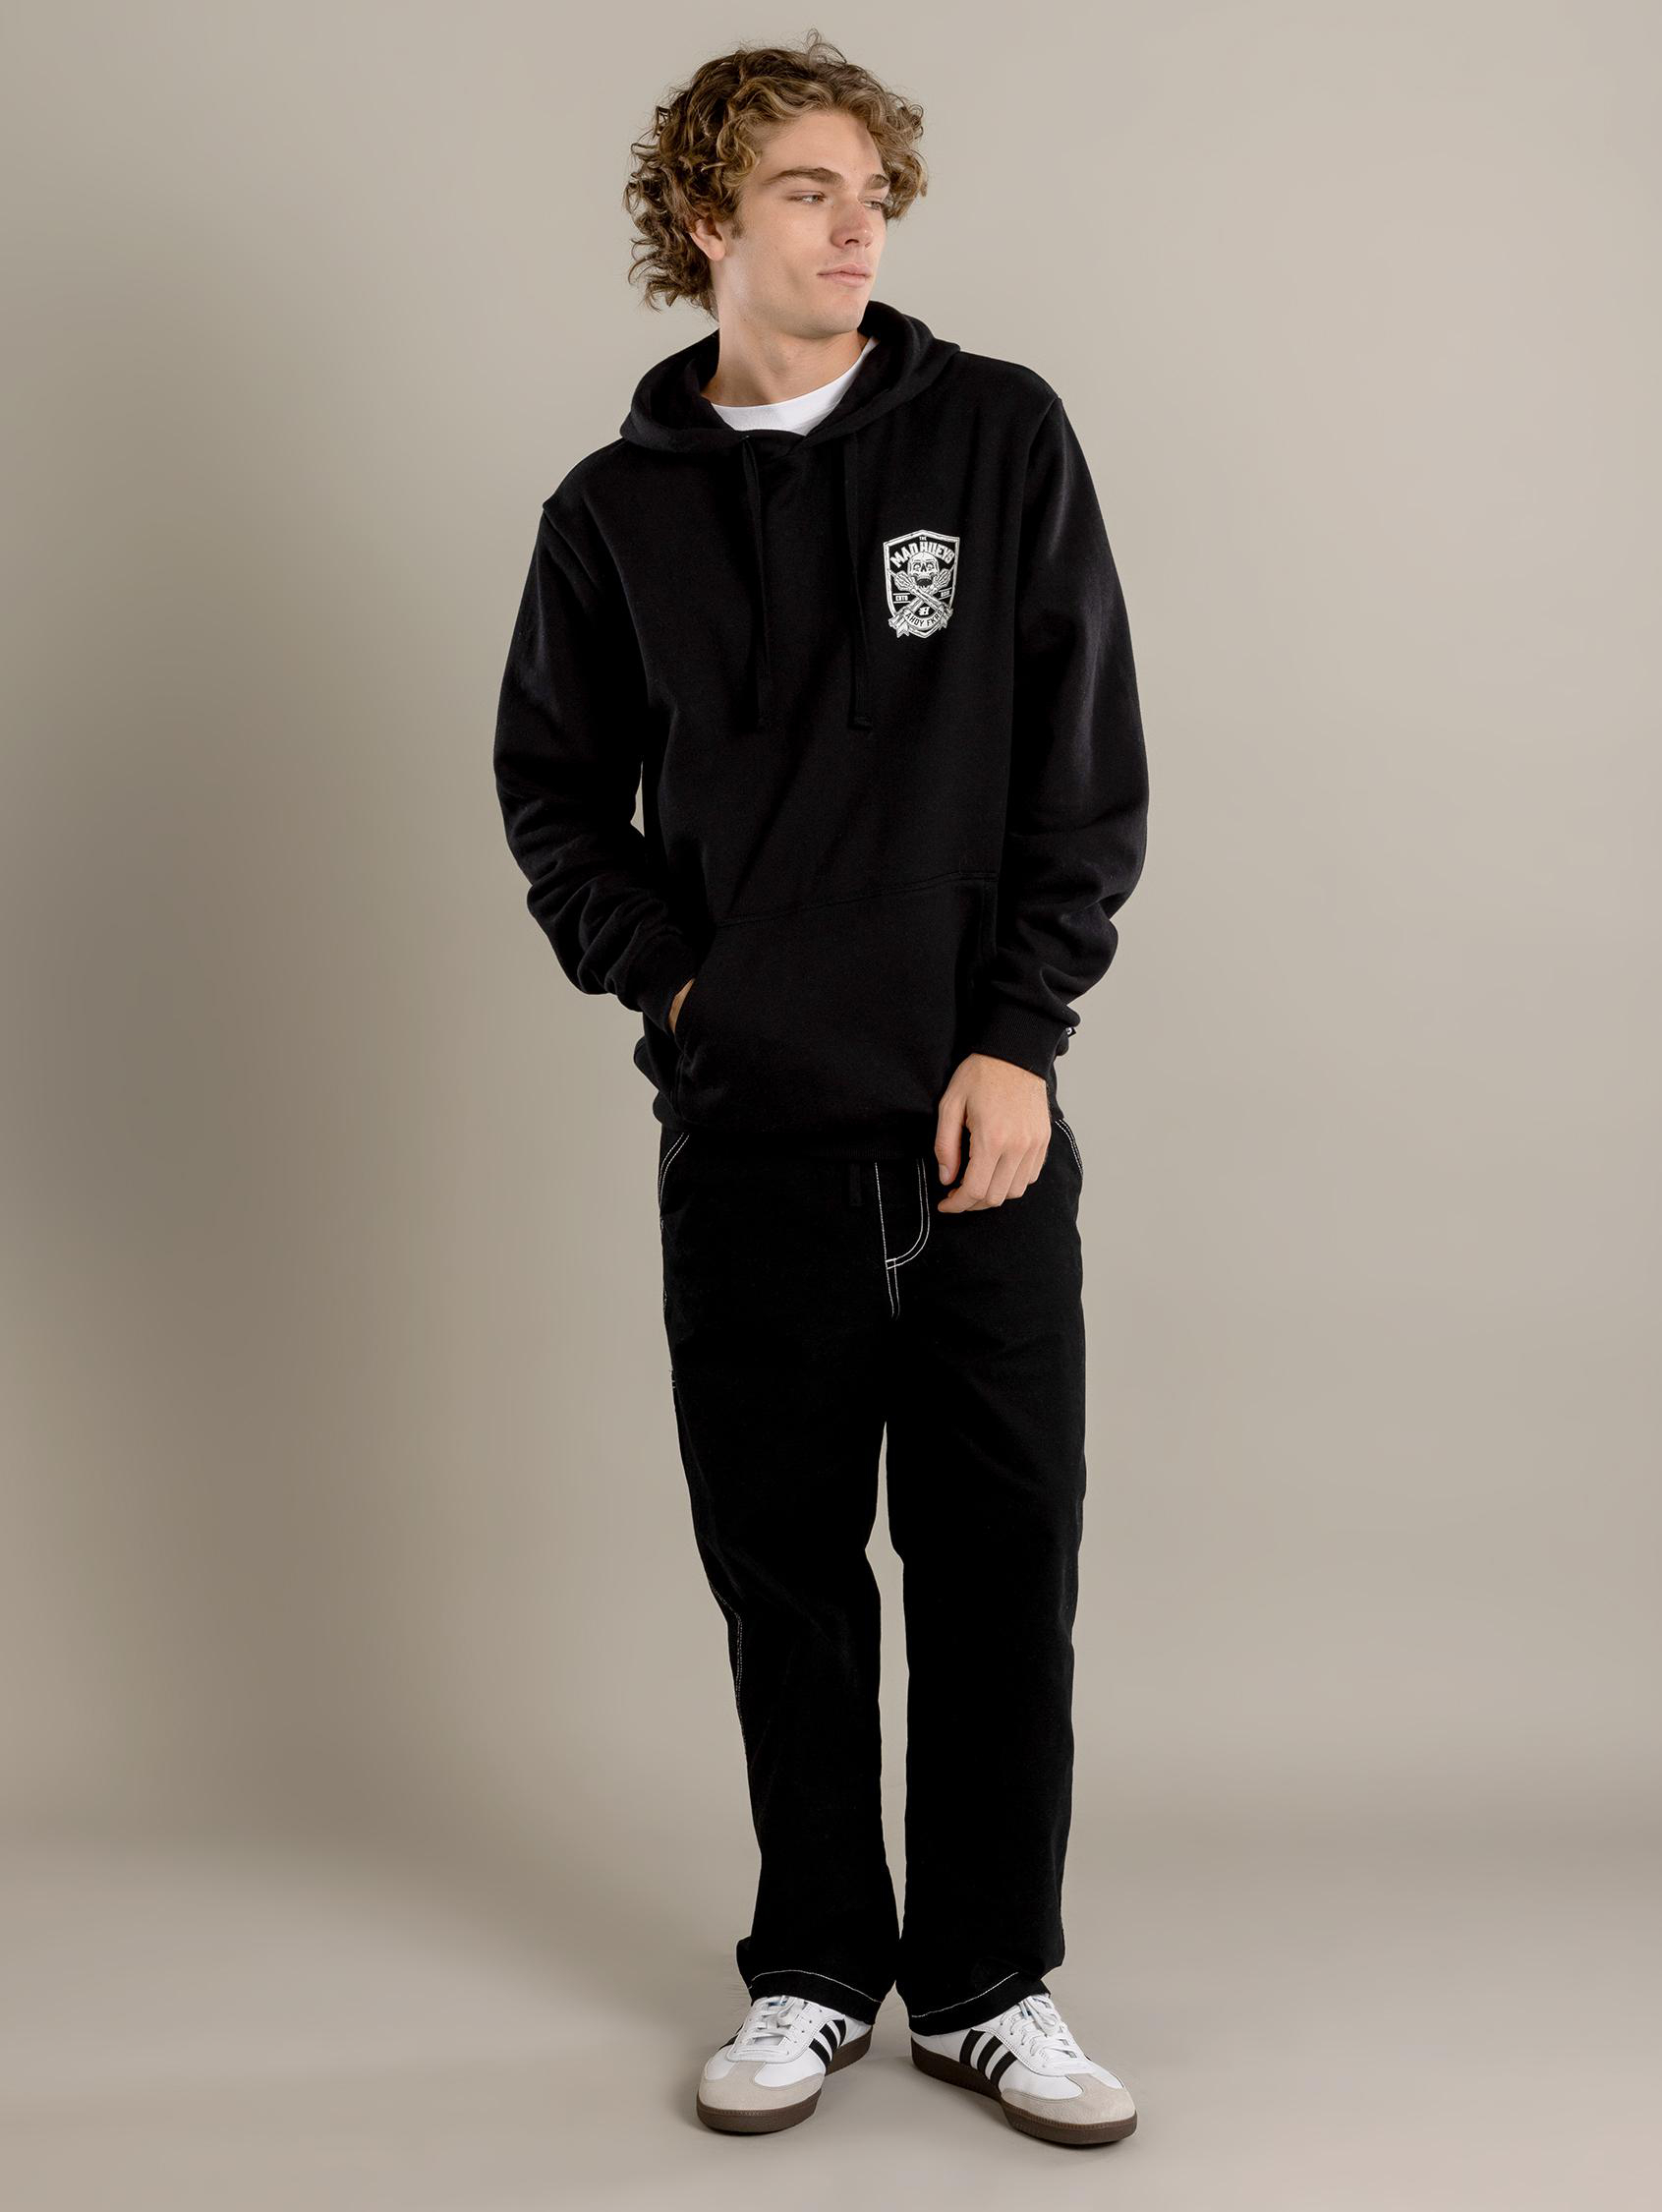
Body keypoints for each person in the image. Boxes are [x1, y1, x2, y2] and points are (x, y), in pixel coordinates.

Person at [492, 33, 1147, 2148]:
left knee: (1000, 1566)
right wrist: (690, 994)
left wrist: (1022, 1035)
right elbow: (553, 800)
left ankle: (988, 1981)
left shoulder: (998, 436)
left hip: (977, 1127)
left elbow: (1084, 771)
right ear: (707, 219)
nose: (859, 225)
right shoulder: (612, 515)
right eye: (807, 189)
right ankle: (813, 1965)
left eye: (875, 191)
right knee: (785, 1573)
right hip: (753, 1136)